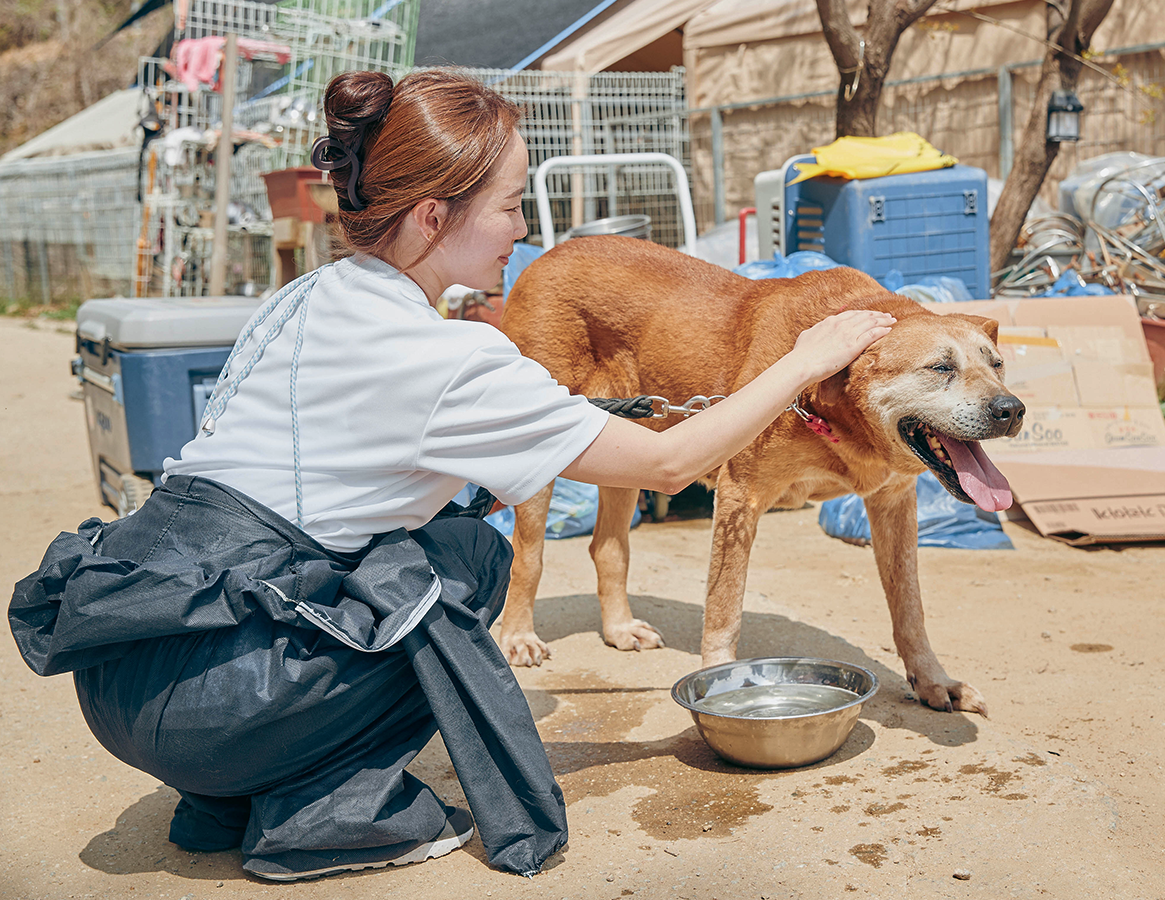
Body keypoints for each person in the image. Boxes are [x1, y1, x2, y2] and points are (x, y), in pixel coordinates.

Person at [9, 69, 893, 882]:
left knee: (428, 541)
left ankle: (234, 791)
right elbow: (669, 463)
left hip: (127, 662)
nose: (523, 230)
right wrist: (808, 354)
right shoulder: (449, 356)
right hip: (220, 697)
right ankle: (327, 815)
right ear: (434, 217)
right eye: (509, 207)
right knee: (464, 561)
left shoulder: (302, 298)